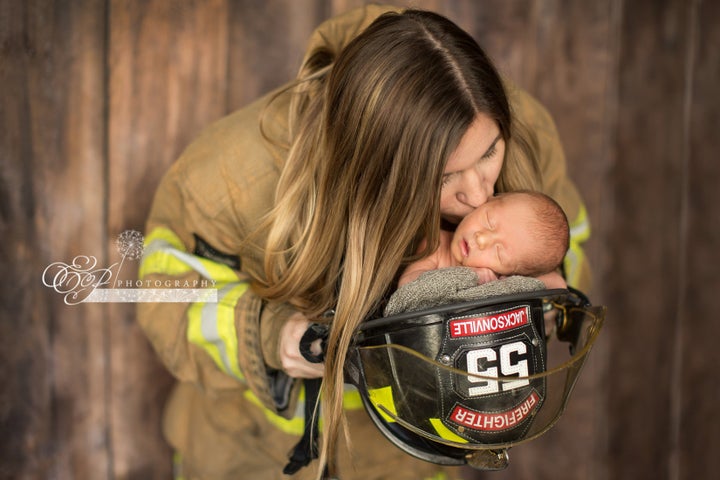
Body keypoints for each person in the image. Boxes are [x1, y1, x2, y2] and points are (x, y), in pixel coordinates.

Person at [137, 5, 592, 480]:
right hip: (251, 457)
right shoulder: (229, 175)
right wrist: (269, 335)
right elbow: (160, 294)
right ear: (370, 165)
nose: (478, 194)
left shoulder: (527, 130)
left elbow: (570, 242)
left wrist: (531, 294)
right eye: (443, 176)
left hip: (408, 460)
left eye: (489, 153)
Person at [398, 191, 569, 287]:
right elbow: (406, 285)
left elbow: (558, 284)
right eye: (488, 220)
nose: (481, 239)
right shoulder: (436, 244)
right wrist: (468, 277)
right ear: (488, 200)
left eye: (498, 253)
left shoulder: (499, 278)